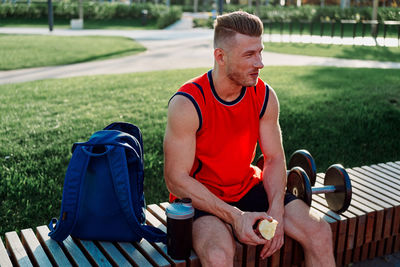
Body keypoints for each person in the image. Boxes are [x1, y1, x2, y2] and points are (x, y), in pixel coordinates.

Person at [163, 11, 335, 266]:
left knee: (319, 232)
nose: (260, 63)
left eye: (260, 52)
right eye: (249, 55)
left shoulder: (264, 95)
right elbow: (176, 179)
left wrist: (275, 210)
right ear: (220, 56)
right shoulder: (188, 103)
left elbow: (275, 159)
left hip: (247, 188)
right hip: (202, 198)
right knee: (218, 256)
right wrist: (234, 216)